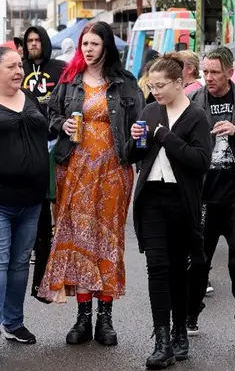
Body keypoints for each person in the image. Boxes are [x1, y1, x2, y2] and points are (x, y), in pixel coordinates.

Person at [40, 21, 144, 346]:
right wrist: (63, 123)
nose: (88, 48)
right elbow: (49, 115)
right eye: (85, 43)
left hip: (114, 170)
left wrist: (139, 137)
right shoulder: (69, 81)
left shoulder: (126, 84)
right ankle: (83, 317)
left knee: (108, 240)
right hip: (75, 168)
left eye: (94, 44)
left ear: (107, 47)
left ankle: (106, 318)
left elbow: (141, 125)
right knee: (81, 238)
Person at [128, 54, 212, 368]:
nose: (156, 91)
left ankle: (180, 332)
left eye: (161, 85)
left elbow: (200, 161)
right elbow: (131, 154)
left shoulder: (197, 116)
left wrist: (164, 136)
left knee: (179, 270)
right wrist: (136, 142)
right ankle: (162, 339)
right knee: (157, 268)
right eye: (152, 85)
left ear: (180, 83)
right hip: (151, 198)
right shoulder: (149, 110)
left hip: (181, 199)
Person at [187, 47, 235, 348]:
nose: (209, 78)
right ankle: (189, 315)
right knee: (197, 262)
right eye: (205, 72)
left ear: (230, 72)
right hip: (204, 195)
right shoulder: (193, 100)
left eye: (215, 72)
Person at [0, 46, 50, 345]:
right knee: (1, 266)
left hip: (32, 201)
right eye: (12, 67)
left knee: (20, 266)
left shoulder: (29, 98)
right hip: (1, 200)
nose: (19, 71)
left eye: (20, 65)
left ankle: (13, 323)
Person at [20, 26, 67, 306]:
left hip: (54, 142)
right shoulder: (19, 68)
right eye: (30, 41)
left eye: (38, 40)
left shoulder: (58, 68)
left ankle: (46, 278)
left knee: (56, 203)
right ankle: (39, 281)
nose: (34, 44)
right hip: (29, 145)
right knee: (38, 213)